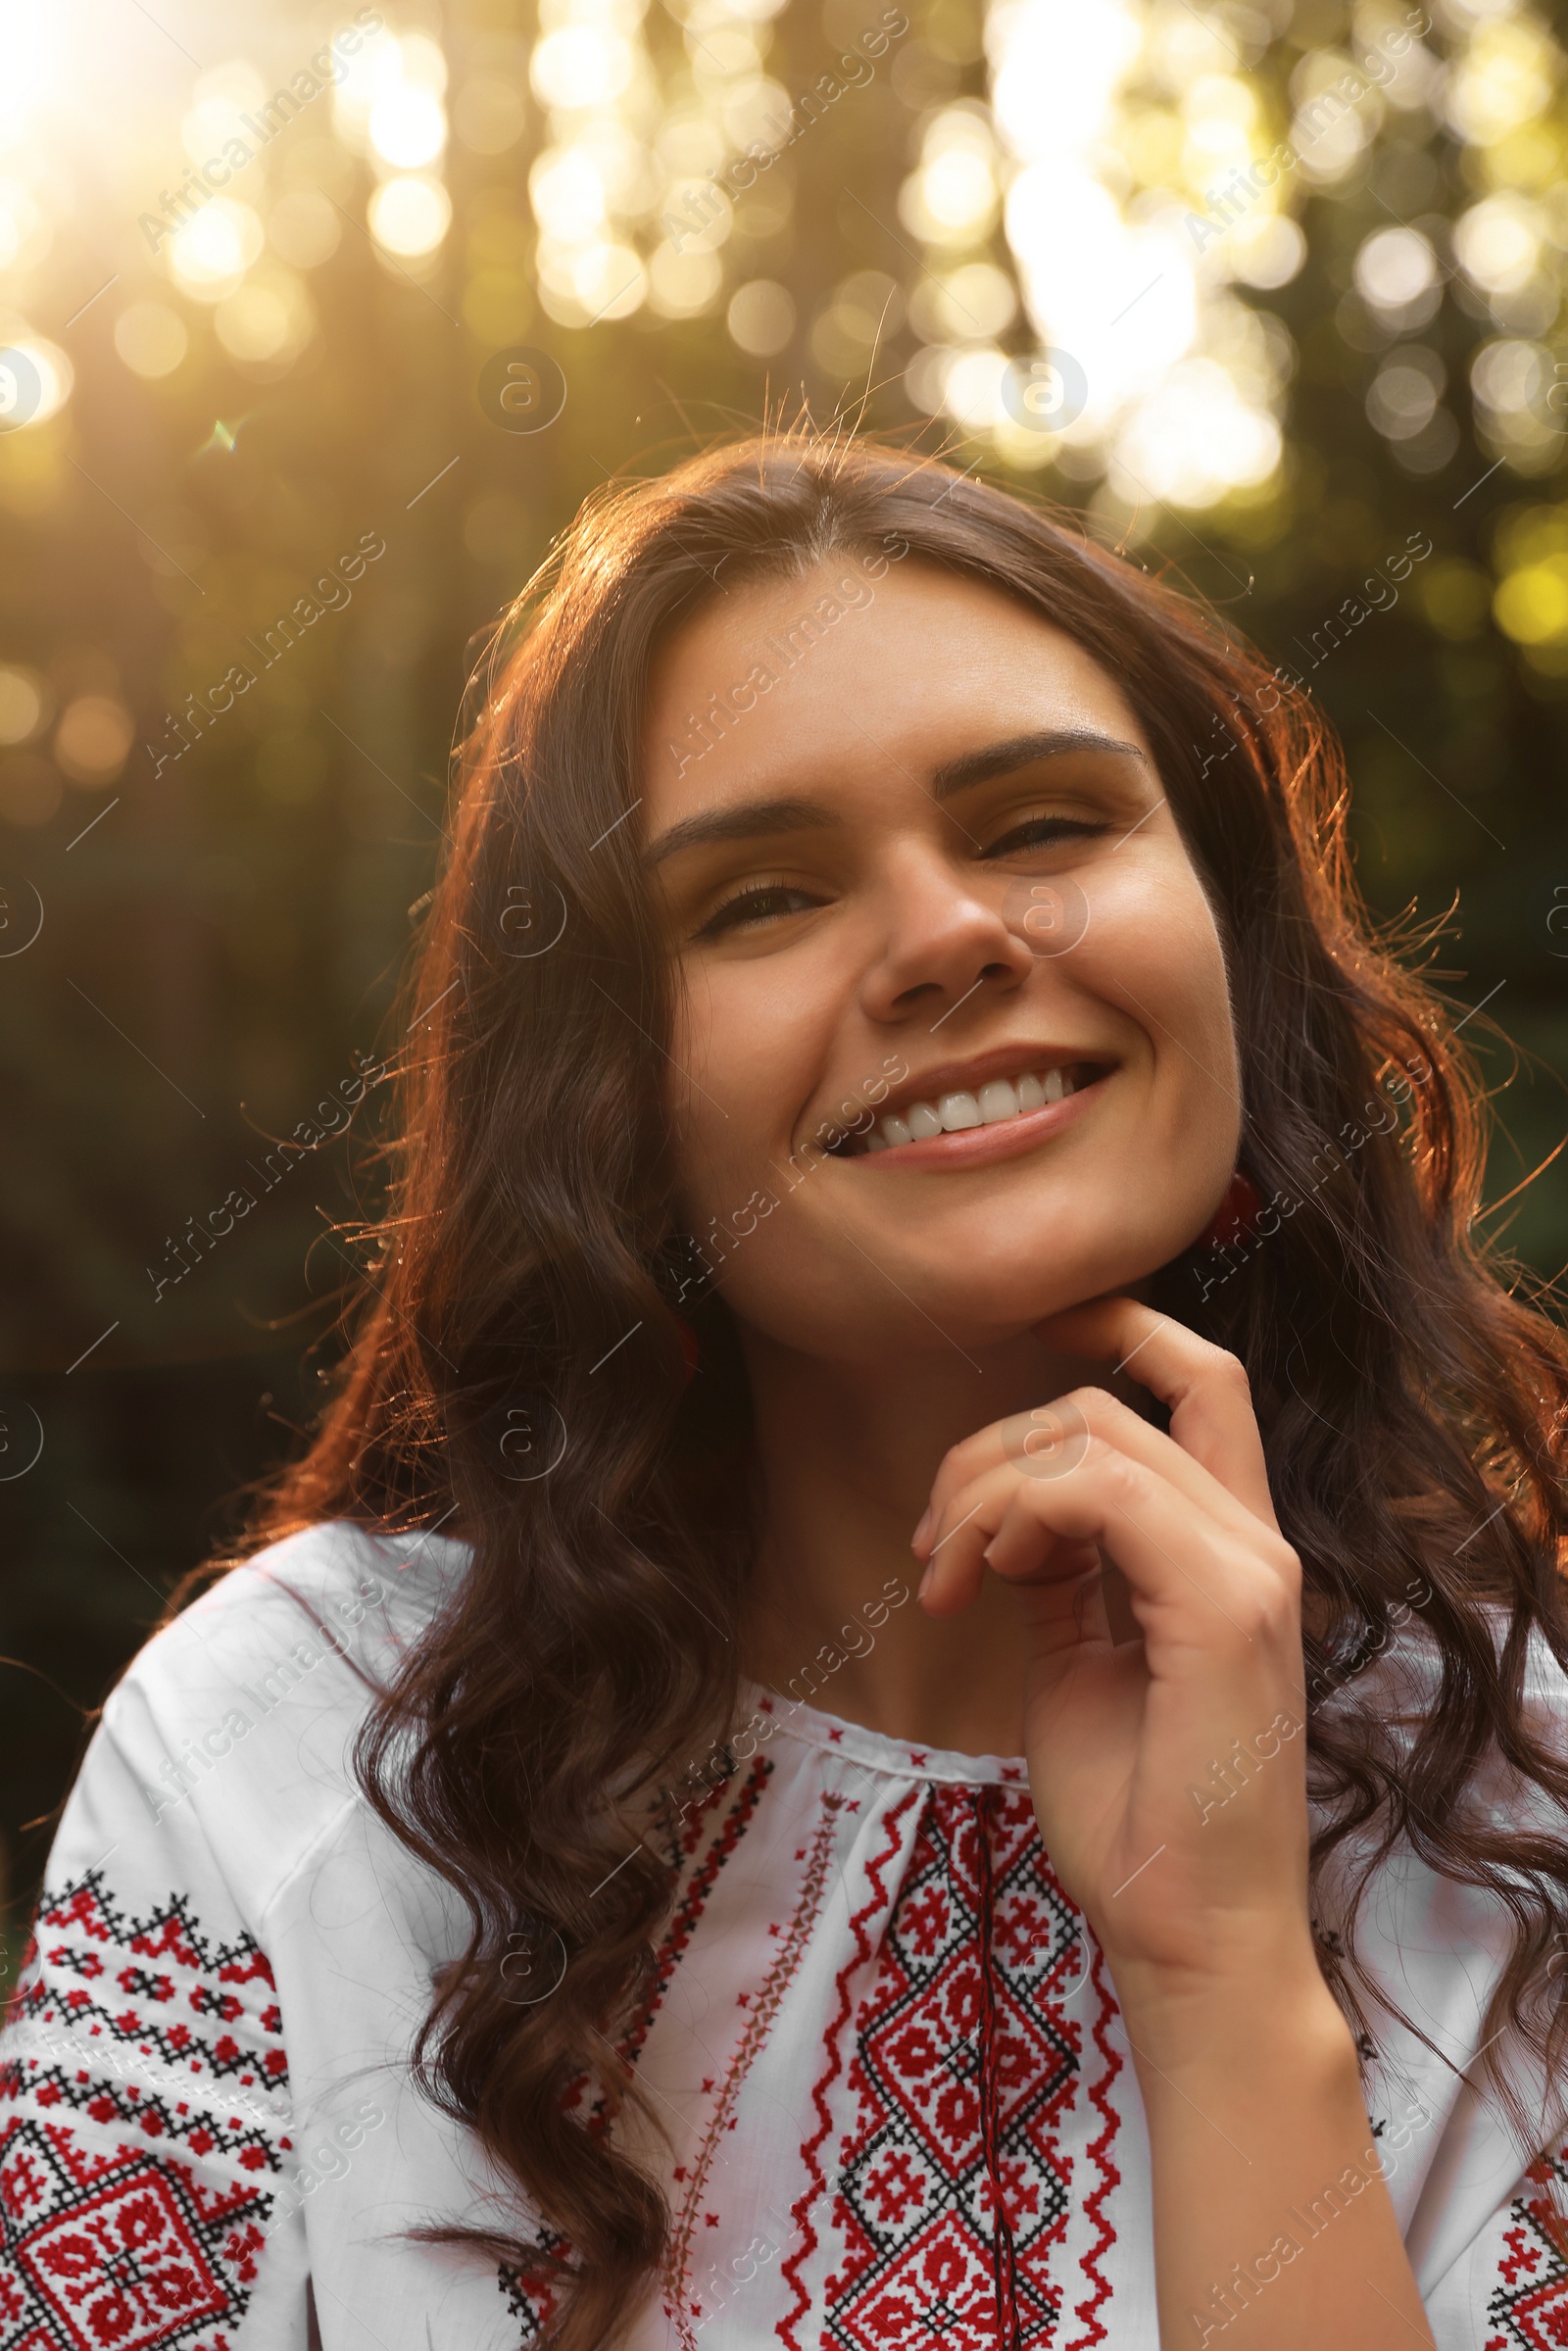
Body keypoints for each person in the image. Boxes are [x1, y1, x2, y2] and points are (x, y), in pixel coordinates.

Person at [3, 434, 1566, 2351]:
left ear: (1224, 955)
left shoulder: (1517, 1801)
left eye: (1039, 829)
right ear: (616, 1112)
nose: (944, 938)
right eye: (757, 899)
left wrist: (1227, 1986)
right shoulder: (299, 1760)